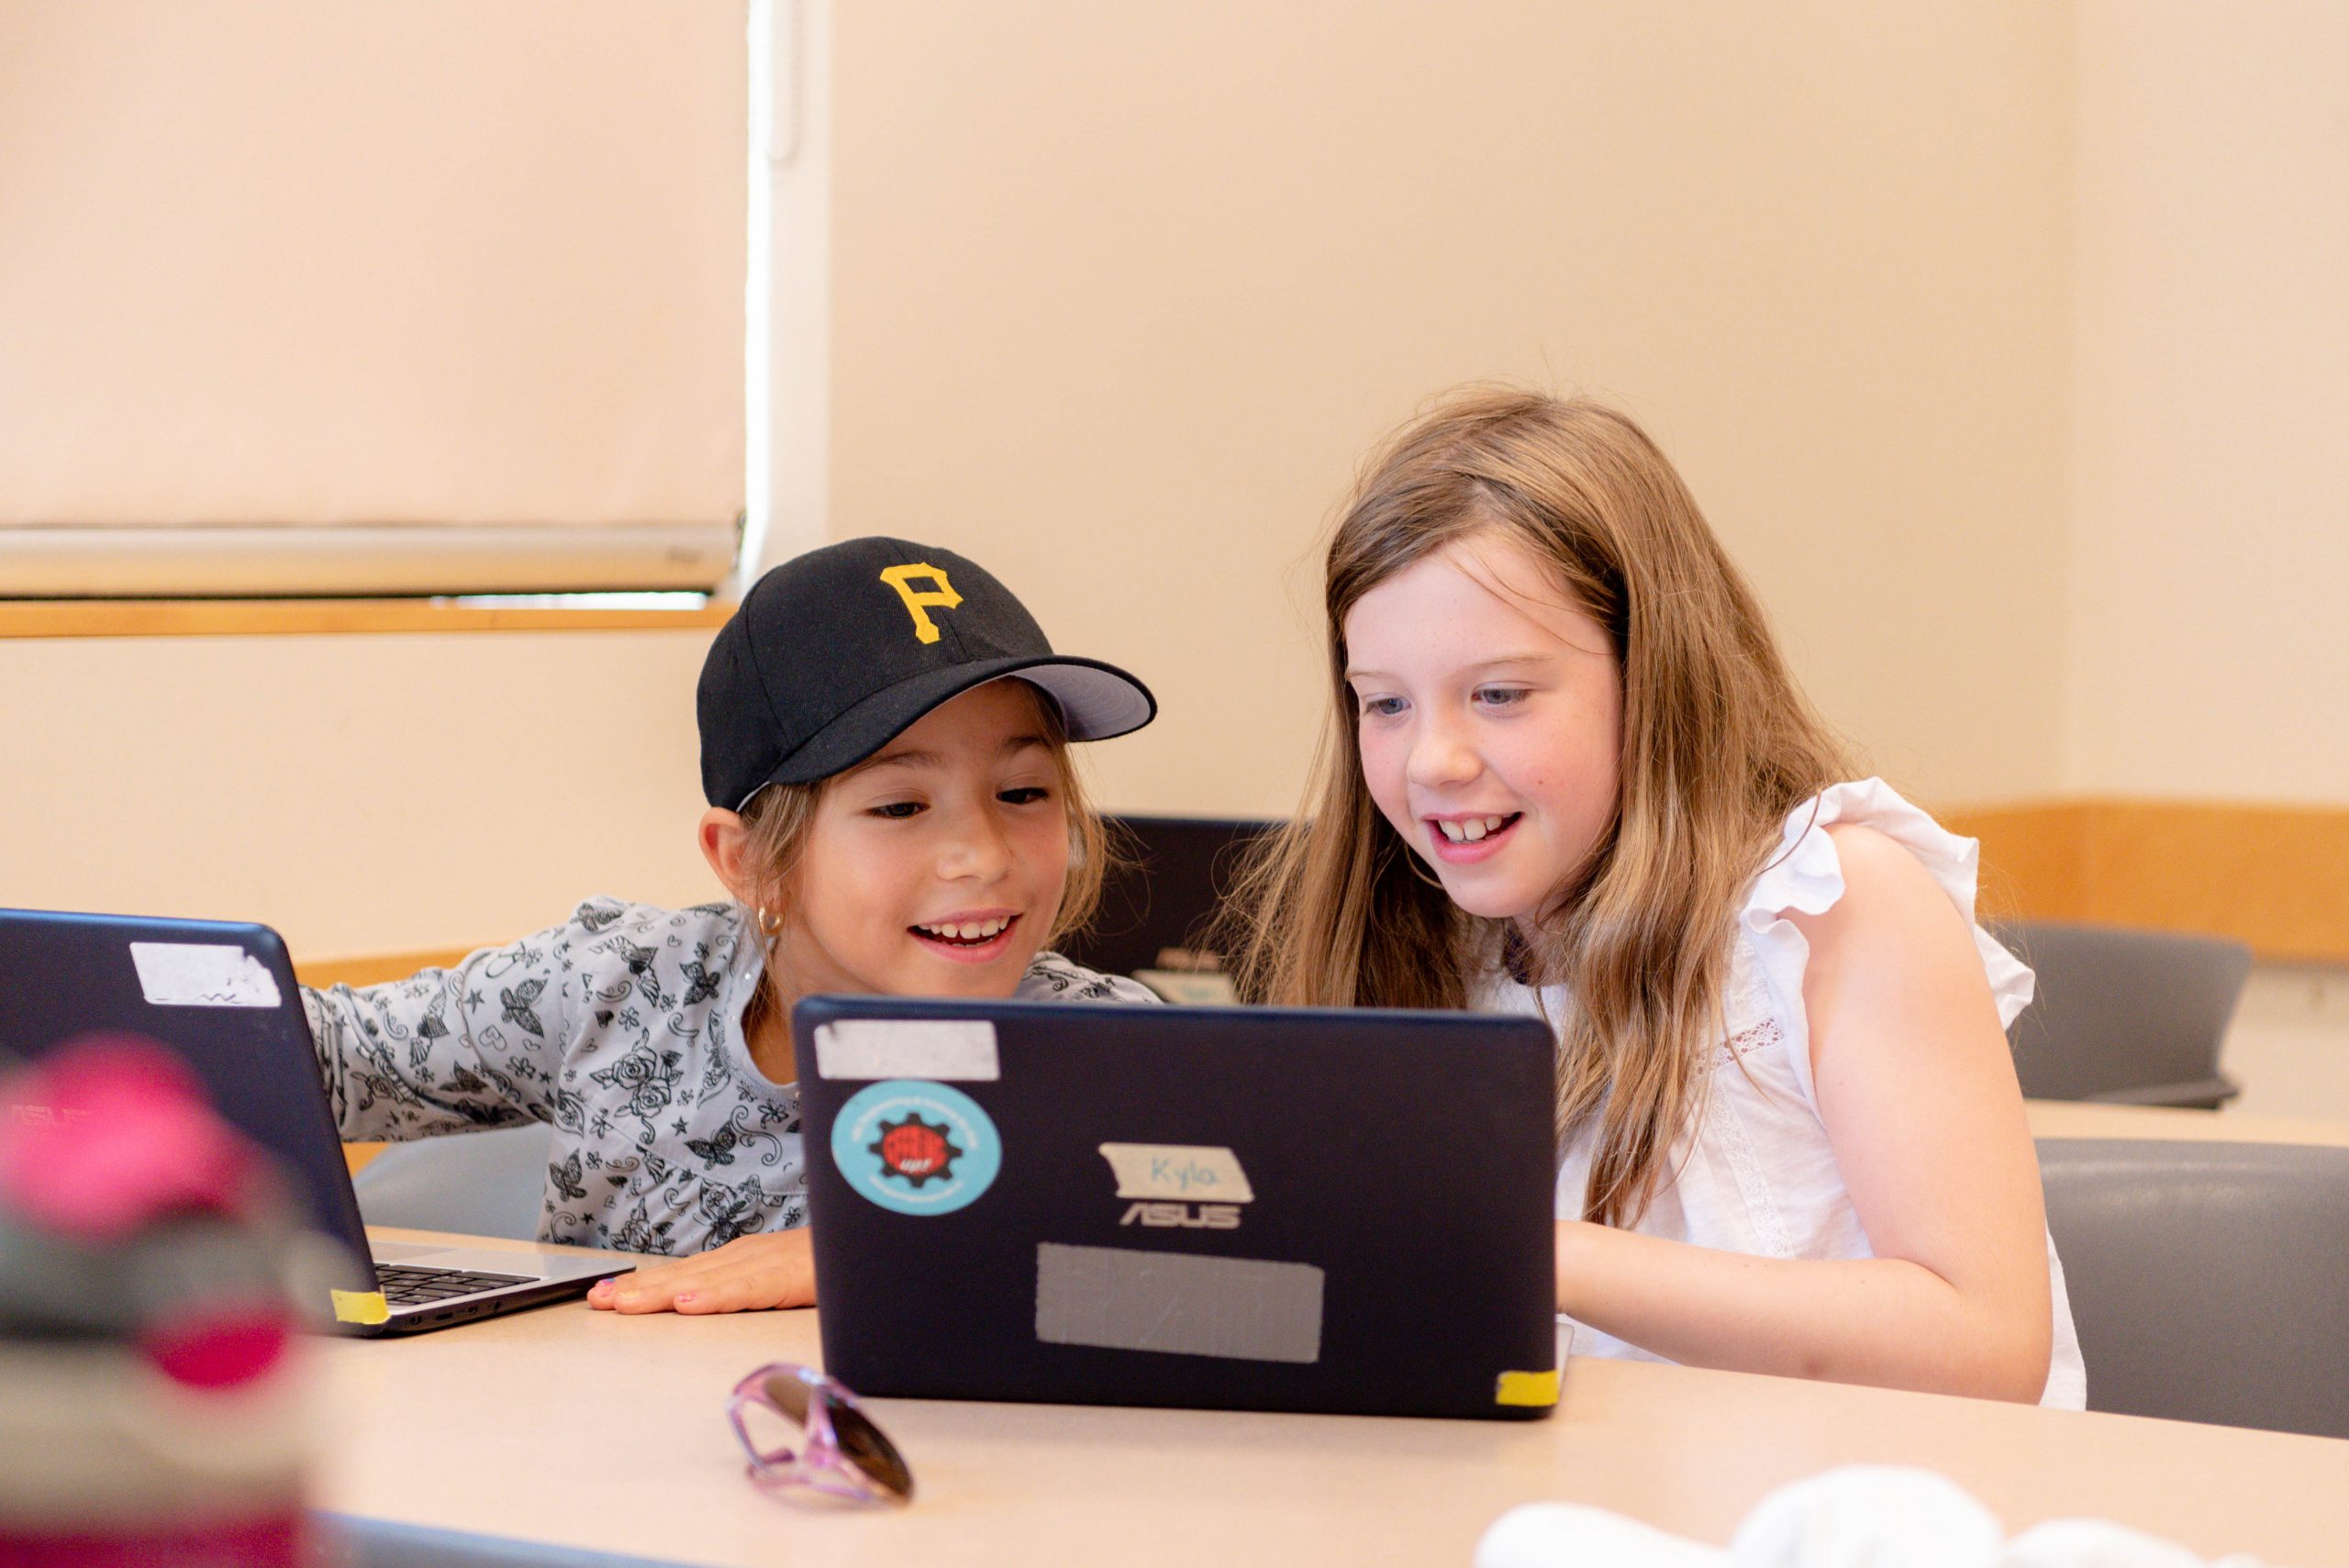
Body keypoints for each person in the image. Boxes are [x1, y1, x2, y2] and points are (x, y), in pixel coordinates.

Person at [1230, 391, 2085, 1405]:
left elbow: (1983, 1344)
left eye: (1500, 693)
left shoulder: (1832, 906)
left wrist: (1539, 1253)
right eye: (1384, 702)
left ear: (1656, 676)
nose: (1434, 759)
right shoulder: (1430, 946)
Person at [304, 538, 1158, 1315]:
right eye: (901, 805)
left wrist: (877, 1253)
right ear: (751, 861)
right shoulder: (619, 985)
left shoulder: (1115, 1055)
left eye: (1024, 793)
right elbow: (317, 1051)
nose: (982, 855)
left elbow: (1222, 1266)